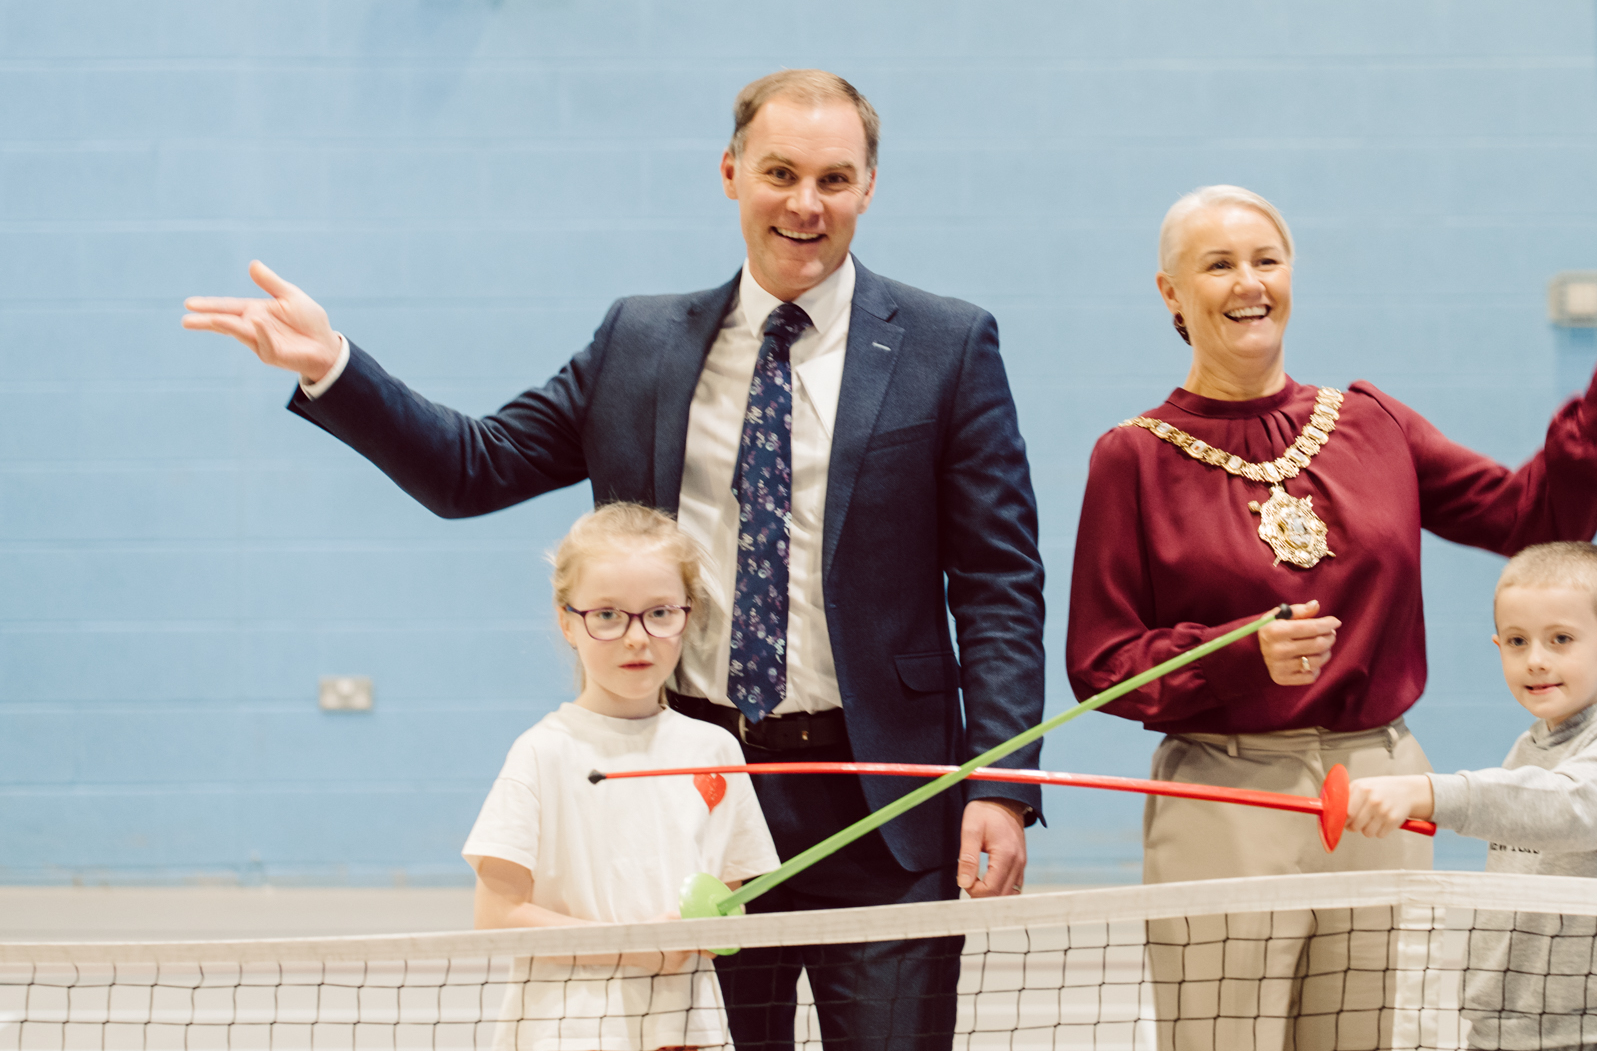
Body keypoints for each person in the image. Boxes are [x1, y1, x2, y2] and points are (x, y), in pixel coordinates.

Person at [182, 70, 1047, 1051]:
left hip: (886, 799)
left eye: (833, 177)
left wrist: (1001, 782)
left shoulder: (946, 343)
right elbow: (474, 466)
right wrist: (331, 365)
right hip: (692, 800)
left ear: (868, 187)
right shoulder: (639, 342)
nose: (805, 203)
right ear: (730, 173)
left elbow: (998, 582)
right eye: (779, 172)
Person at [1065, 184, 1597, 1051]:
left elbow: (1533, 519)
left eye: (1266, 260)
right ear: (1171, 293)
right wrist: (1237, 656)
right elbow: (1102, 663)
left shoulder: (1371, 423)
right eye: (1217, 264)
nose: (1248, 282)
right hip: (1225, 795)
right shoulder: (1132, 457)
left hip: (1381, 791)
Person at [464, 504, 778, 1051]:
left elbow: (731, 899)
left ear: (688, 613)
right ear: (567, 622)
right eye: (607, 615)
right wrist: (635, 947)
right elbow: (498, 915)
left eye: (659, 613)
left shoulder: (715, 750)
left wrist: (708, 926)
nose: (638, 638)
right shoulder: (541, 753)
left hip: (682, 1031)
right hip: (568, 1031)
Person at [1345, 541, 1597, 1051]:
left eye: (1561, 639)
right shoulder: (1527, 748)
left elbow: (1568, 806)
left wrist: (1428, 793)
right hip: (1504, 1030)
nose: (1536, 660)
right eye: (1518, 642)